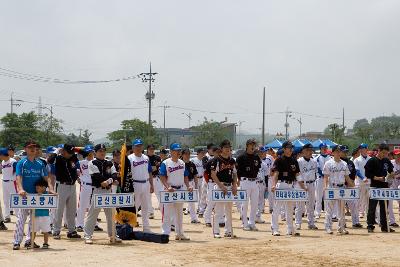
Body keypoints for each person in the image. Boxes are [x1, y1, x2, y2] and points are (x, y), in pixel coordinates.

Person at [13, 140, 55, 250]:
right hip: (25, 195)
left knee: (33, 219)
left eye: (35, 147)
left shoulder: (40, 163)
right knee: (21, 218)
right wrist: (20, 189)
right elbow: (19, 177)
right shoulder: (21, 163)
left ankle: (29, 241)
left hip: (37, 195)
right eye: (30, 147)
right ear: (25, 149)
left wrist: (50, 188)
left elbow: (46, 177)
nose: (33, 149)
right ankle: (17, 241)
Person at [84, 144, 121, 244]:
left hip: (108, 190)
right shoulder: (92, 162)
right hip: (97, 190)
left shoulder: (109, 162)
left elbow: (114, 174)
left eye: (104, 150)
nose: (102, 152)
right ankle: (87, 235)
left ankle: (113, 234)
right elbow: (97, 176)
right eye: (100, 150)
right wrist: (111, 180)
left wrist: (109, 181)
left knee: (110, 214)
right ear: (95, 152)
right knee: (93, 214)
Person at [160, 143, 192, 240]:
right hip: (169, 190)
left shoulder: (182, 163)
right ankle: (165, 234)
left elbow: (185, 175)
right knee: (167, 214)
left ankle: (179, 233)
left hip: (180, 189)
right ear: (171, 152)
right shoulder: (166, 163)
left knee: (179, 213)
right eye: (176, 150)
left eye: (179, 150)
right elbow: (162, 176)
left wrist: (188, 185)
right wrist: (167, 186)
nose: (178, 152)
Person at [271, 141, 303, 236]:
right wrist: (273, 184)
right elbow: (276, 173)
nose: (290, 149)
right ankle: (275, 228)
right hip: (281, 184)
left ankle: (290, 229)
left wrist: (303, 186)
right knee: (277, 208)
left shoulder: (294, 160)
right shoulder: (279, 159)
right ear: (284, 149)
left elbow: (297, 174)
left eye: (291, 148)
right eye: (288, 148)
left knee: (290, 208)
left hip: (291, 185)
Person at [323, 145, 355, 235]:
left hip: (341, 188)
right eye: (336, 151)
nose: (338, 153)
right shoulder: (328, 163)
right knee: (329, 209)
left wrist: (353, 186)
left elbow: (347, 177)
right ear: (332, 153)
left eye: (339, 151)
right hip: (332, 187)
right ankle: (328, 227)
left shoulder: (344, 164)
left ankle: (341, 227)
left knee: (341, 210)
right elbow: (325, 177)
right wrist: (325, 187)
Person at [52, 144, 81, 240]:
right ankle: (56, 231)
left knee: (72, 210)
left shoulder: (73, 157)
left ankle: (72, 231)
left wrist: (75, 148)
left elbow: (85, 153)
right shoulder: (58, 158)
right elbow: (50, 160)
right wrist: (57, 151)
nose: (71, 154)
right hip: (61, 186)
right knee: (59, 210)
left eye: (72, 152)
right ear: (63, 151)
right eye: (69, 152)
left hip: (72, 186)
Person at [210, 140, 237, 238]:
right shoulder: (216, 160)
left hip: (229, 186)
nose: (227, 149)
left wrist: (234, 185)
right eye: (225, 147)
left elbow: (234, 173)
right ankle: (216, 231)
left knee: (229, 210)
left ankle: (228, 231)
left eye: (229, 147)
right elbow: (213, 174)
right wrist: (221, 187)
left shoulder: (232, 160)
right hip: (220, 186)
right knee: (218, 210)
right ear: (221, 149)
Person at [365, 143, 395, 233]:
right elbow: (367, 174)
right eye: (383, 153)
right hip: (375, 187)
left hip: (385, 187)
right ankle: (370, 225)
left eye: (386, 153)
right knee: (372, 207)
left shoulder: (386, 161)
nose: (384, 155)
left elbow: (391, 170)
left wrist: (392, 175)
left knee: (384, 207)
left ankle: (384, 226)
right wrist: (377, 178)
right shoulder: (372, 160)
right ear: (379, 151)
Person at [128, 139, 154, 233]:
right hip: (135, 184)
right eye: (137, 146)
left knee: (145, 207)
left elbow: (150, 172)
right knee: (134, 207)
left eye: (140, 146)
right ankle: (130, 227)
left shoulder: (146, 158)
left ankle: (146, 228)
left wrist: (151, 184)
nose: (139, 148)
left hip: (146, 183)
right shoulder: (130, 158)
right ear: (133, 147)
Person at [236, 138, 262, 231]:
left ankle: (252, 222)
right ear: (247, 145)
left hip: (254, 181)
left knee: (254, 203)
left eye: (254, 145)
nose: (253, 147)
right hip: (245, 181)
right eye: (251, 145)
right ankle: (244, 223)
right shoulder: (241, 157)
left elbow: (258, 168)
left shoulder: (256, 157)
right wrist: (238, 180)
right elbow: (237, 170)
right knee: (245, 203)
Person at [76, 145, 102, 232]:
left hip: (94, 186)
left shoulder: (96, 162)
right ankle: (79, 224)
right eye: (88, 152)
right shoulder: (81, 162)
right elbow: (75, 171)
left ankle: (94, 224)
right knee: (82, 205)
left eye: (91, 152)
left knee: (94, 206)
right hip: (85, 185)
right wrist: (78, 179)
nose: (90, 153)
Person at [295, 144, 318, 230]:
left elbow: (315, 173)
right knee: (299, 205)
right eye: (307, 150)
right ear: (303, 151)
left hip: (311, 184)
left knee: (311, 204)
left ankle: (311, 223)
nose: (309, 152)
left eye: (311, 150)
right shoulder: (299, 161)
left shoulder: (314, 161)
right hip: (301, 184)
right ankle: (298, 223)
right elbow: (297, 174)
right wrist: (302, 185)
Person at [181, 148, 200, 223]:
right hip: (181, 183)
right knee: (180, 202)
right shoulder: (180, 163)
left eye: (188, 154)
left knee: (191, 202)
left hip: (190, 182)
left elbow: (195, 174)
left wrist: (196, 184)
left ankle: (193, 218)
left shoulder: (192, 164)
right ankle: (176, 220)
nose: (187, 155)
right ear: (182, 155)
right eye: (185, 154)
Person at [203, 146, 221, 227]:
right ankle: (207, 219)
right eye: (216, 152)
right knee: (211, 201)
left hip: (220, 183)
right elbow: (206, 173)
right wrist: (208, 182)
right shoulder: (210, 161)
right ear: (213, 153)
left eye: (219, 152)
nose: (218, 153)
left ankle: (220, 219)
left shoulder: (222, 161)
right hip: (211, 182)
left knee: (219, 202)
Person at [0, 147, 18, 223]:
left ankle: (19, 216)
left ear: (3, 154)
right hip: (4, 182)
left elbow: (18, 172)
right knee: (5, 200)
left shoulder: (13, 161)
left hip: (12, 182)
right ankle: (7, 217)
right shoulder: (2, 162)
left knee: (15, 199)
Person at [32, 179, 51, 249]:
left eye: (38, 187)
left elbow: (54, 197)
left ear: (44, 187)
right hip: (36, 215)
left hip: (45, 215)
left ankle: (45, 243)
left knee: (46, 230)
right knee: (33, 230)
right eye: (36, 188)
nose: (36, 189)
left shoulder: (47, 194)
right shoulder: (34, 195)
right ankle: (31, 242)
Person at [353, 143, 371, 218]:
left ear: (366, 149)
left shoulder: (370, 159)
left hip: (369, 181)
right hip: (360, 182)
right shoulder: (356, 159)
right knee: (359, 198)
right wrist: (363, 178)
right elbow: (357, 171)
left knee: (369, 199)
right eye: (361, 148)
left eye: (364, 148)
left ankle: (369, 214)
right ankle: (360, 212)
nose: (362, 150)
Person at [255, 146, 272, 223]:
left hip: (262, 183)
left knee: (261, 201)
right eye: (261, 152)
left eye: (263, 152)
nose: (262, 154)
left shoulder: (264, 164)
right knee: (254, 200)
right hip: (254, 183)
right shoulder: (253, 162)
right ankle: (253, 216)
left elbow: (266, 176)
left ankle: (257, 216)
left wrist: (267, 186)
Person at [315, 143, 331, 219]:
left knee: (327, 196)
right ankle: (317, 212)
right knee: (319, 197)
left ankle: (327, 212)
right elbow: (318, 169)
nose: (324, 149)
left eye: (325, 147)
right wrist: (325, 175)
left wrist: (327, 176)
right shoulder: (317, 158)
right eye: (323, 148)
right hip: (320, 178)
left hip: (328, 179)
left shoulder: (330, 157)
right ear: (320, 149)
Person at [191, 148, 206, 217]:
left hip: (202, 178)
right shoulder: (193, 160)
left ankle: (200, 208)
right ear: (198, 153)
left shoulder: (204, 160)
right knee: (195, 194)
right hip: (195, 179)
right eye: (202, 153)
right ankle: (194, 208)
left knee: (201, 194)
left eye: (204, 153)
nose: (203, 154)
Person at [147, 144, 161, 217]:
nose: (152, 150)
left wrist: (154, 167)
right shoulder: (145, 158)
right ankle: (150, 212)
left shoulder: (157, 157)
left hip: (156, 178)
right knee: (148, 196)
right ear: (148, 150)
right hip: (148, 178)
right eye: (150, 149)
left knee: (159, 194)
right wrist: (154, 167)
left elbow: (158, 167)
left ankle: (163, 210)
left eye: (153, 149)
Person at [388, 149, 400, 227]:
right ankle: (392, 221)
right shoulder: (390, 163)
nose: (398, 156)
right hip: (391, 185)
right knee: (390, 204)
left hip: (399, 185)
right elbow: (387, 175)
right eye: (397, 155)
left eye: (399, 155)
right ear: (394, 155)